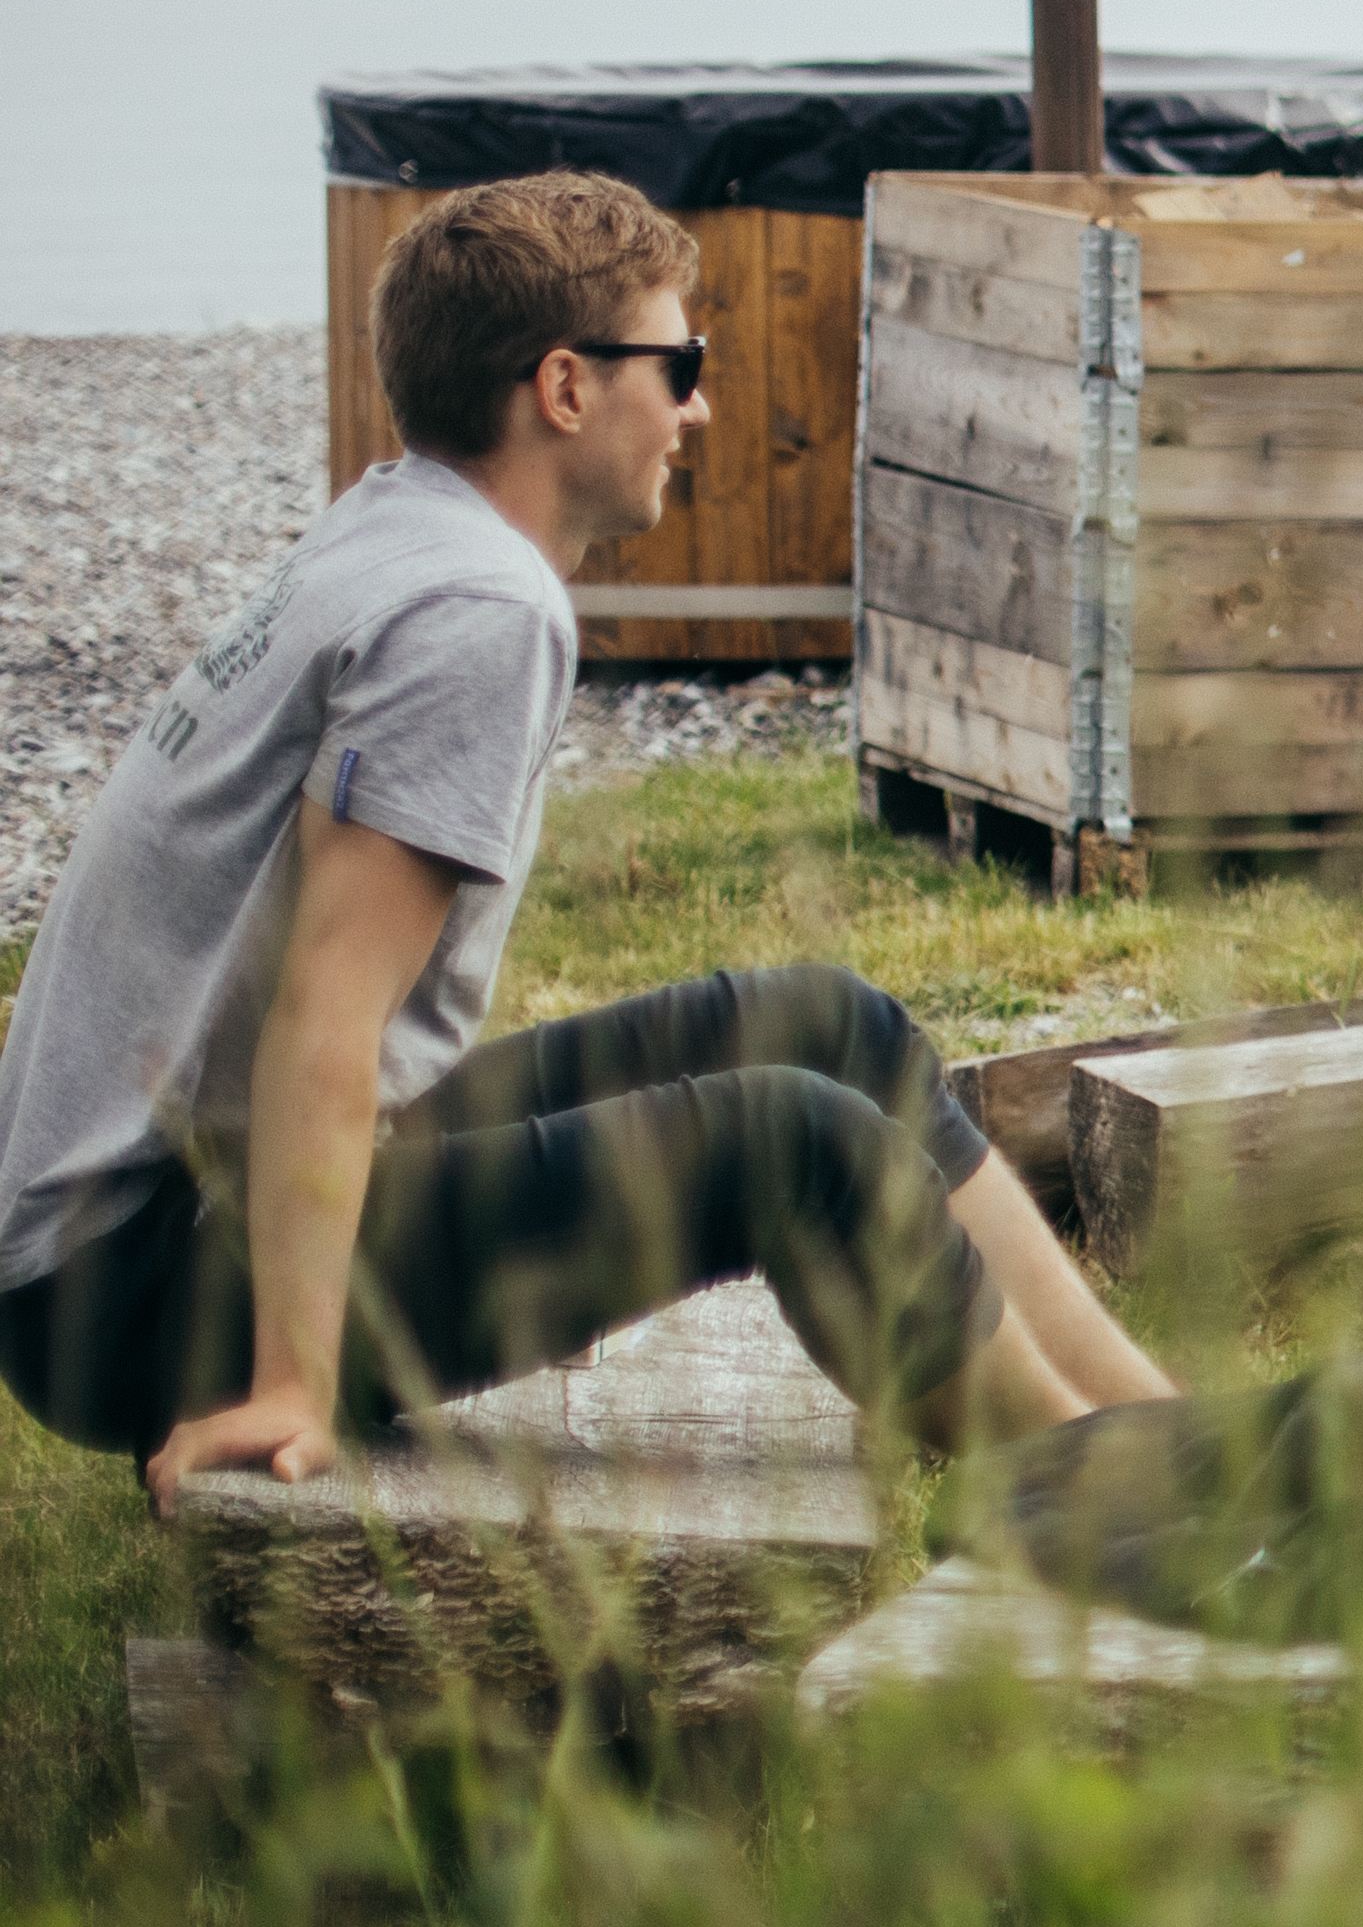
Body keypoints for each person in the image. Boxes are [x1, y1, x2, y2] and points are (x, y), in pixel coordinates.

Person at [0, 174, 1173, 1501]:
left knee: (831, 1028)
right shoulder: (475, 610)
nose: (700, 405)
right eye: (680, 364)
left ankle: (1166, 1430)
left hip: (169, 1217)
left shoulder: (395, 526)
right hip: (131, 1286)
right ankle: (1120, 1501)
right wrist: (292, 1385)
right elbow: (320, 1024)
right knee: (801, 1146)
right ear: (564, 388)